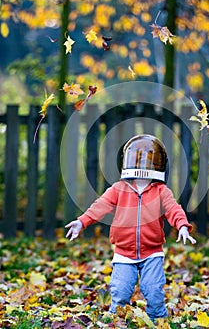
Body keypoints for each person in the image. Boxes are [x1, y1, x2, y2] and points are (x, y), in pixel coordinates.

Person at [65, 134, 196, 320]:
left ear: (159, 163)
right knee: (120, 290)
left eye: (149, 159)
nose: (142, 164)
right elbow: (100, 206)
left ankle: (158, 320)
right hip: (124, 252)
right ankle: (116, 320)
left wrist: (182, 225)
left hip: (152, 252)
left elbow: (173, 209)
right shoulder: (118, 189)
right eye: (137, 158)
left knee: (154, 290)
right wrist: (82, 222)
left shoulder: (161, 191)